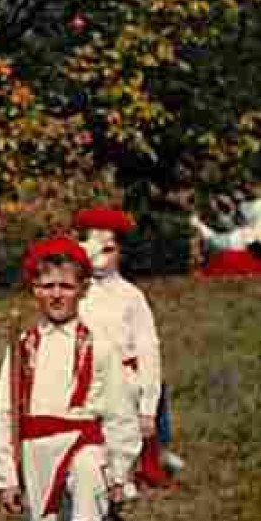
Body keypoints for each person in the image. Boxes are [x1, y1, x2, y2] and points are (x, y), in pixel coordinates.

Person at [0, 237, 141, 521]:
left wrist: (119, 472)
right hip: (36, 450)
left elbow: (120, 413)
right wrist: (7, 476)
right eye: (48, 286)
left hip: (82, 442)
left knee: (88, 468)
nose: (56, 295)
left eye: (66, 286)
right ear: (35, 290)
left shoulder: (99, 346)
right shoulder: (22, 347)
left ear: (83, 290)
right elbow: (4, 413)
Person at [76, 205, 180, 487]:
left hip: (123, 382)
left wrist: (147, 407)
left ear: (120, 253)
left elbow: (147, 348)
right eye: (92, 249)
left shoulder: (131, 297)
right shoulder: (75, 294)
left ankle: (145, 458)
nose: (99, 259)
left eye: (108, 250)